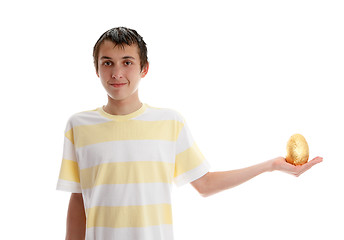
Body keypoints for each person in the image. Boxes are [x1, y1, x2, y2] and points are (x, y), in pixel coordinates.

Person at [56, 27, 323, 240]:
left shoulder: (169, 122)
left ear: (144, 68)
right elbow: (79, 200)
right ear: (96, 69)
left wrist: (271, 166)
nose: (116, 72)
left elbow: (205, 185)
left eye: (127, 62)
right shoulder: (79, 126)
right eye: (107, 63)